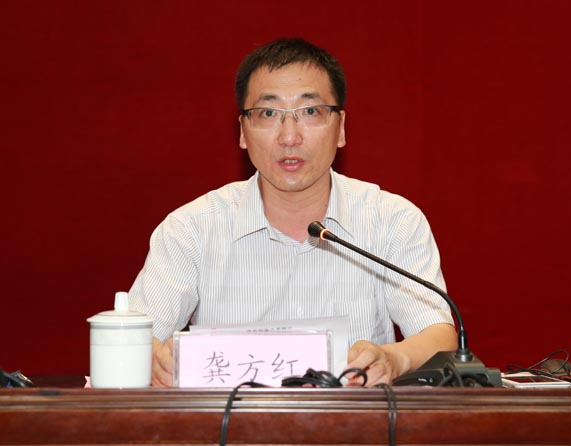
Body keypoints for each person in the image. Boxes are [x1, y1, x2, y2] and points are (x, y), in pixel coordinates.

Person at [128, 37, 457, 388]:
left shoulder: (392, 221)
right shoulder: (191, 229)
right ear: (242, 132)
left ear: (340, 128)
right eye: (268, 113)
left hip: (356, 421)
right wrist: (155, 361)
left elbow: (439, 335)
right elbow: (133, 335)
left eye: (310, 112)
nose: (289, 137)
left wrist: (394, 359)